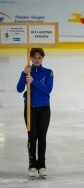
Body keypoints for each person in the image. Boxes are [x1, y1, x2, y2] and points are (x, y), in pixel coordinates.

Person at [17, 48, 54, 177]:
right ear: (31, 58)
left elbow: (47, 90)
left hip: (44, 108)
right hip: (29, 109)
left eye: (39, 57)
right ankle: (32, 165)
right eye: (34, 57)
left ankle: (42, 165)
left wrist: (33, 81)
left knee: (42, 137)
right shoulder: (27, 71)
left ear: (43, 58)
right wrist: (24, 74)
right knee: (32, 137)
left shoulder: (48, 72)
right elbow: (19, 89)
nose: (37, 60)